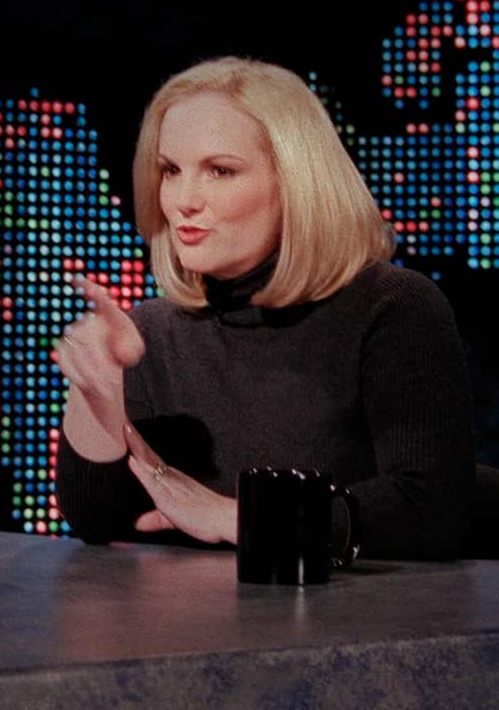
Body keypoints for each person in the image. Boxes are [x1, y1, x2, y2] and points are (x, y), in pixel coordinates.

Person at [54, 57, 475, 558]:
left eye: (220, 170)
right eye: (170, 170)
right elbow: (99, 525)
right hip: (195, 631)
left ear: (297, 182)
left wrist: (239, 517)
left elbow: (432, 509)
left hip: (348, 627)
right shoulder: (150, 332)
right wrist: (98, 395)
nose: (183, 199)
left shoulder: (393, 308)